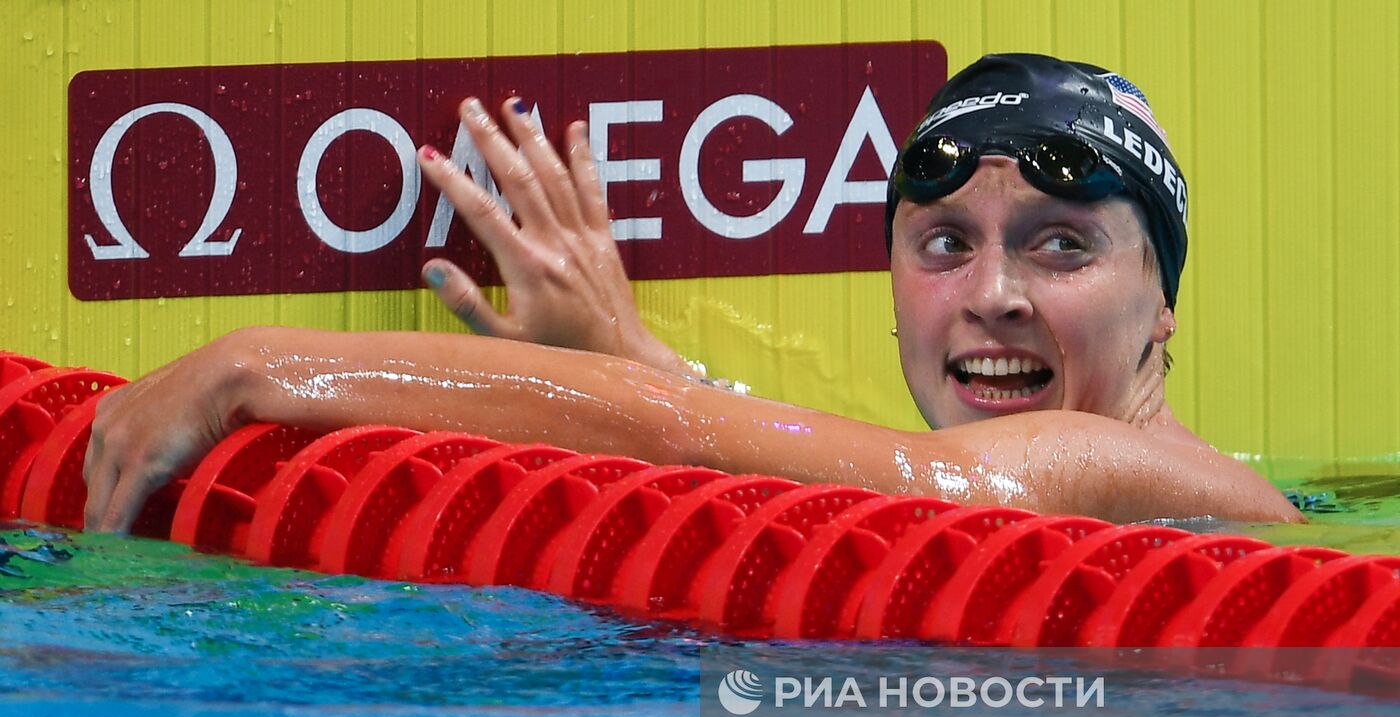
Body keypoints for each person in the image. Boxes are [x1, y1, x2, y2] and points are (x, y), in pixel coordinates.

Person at [81, 53, 1301, 533]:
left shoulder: (1161, 485)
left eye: (1059, 246)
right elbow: (844, 472)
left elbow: (940, 488)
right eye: (941, 245)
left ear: (1164, 302)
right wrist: (626, 360)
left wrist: (267, 367)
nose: (992, 295)